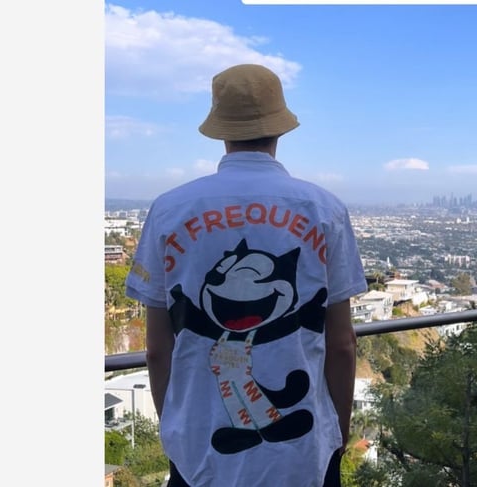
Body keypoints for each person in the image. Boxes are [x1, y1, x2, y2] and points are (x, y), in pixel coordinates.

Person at [125, 64, 367, 487]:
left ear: (222, 131)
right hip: (305, 456)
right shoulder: (324, 208)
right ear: (280, 129)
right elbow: (342, 344)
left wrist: (176, 431)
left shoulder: (169, 209)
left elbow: (158, 350)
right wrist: (337, 435)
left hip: (199, 455)